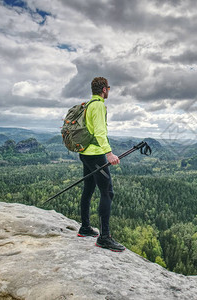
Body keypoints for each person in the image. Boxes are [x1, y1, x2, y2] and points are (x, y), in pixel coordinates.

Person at [77, 76, 125, 252]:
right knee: (107, 192)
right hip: (96, 156)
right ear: (104, 89)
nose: (108, 91)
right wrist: (109, 153)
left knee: (88, 189)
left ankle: (85, 228)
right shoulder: (97, 105)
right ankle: (104, 237)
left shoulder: (89, 104)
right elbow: (99, 132)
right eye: (108, 88)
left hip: (85, 153)